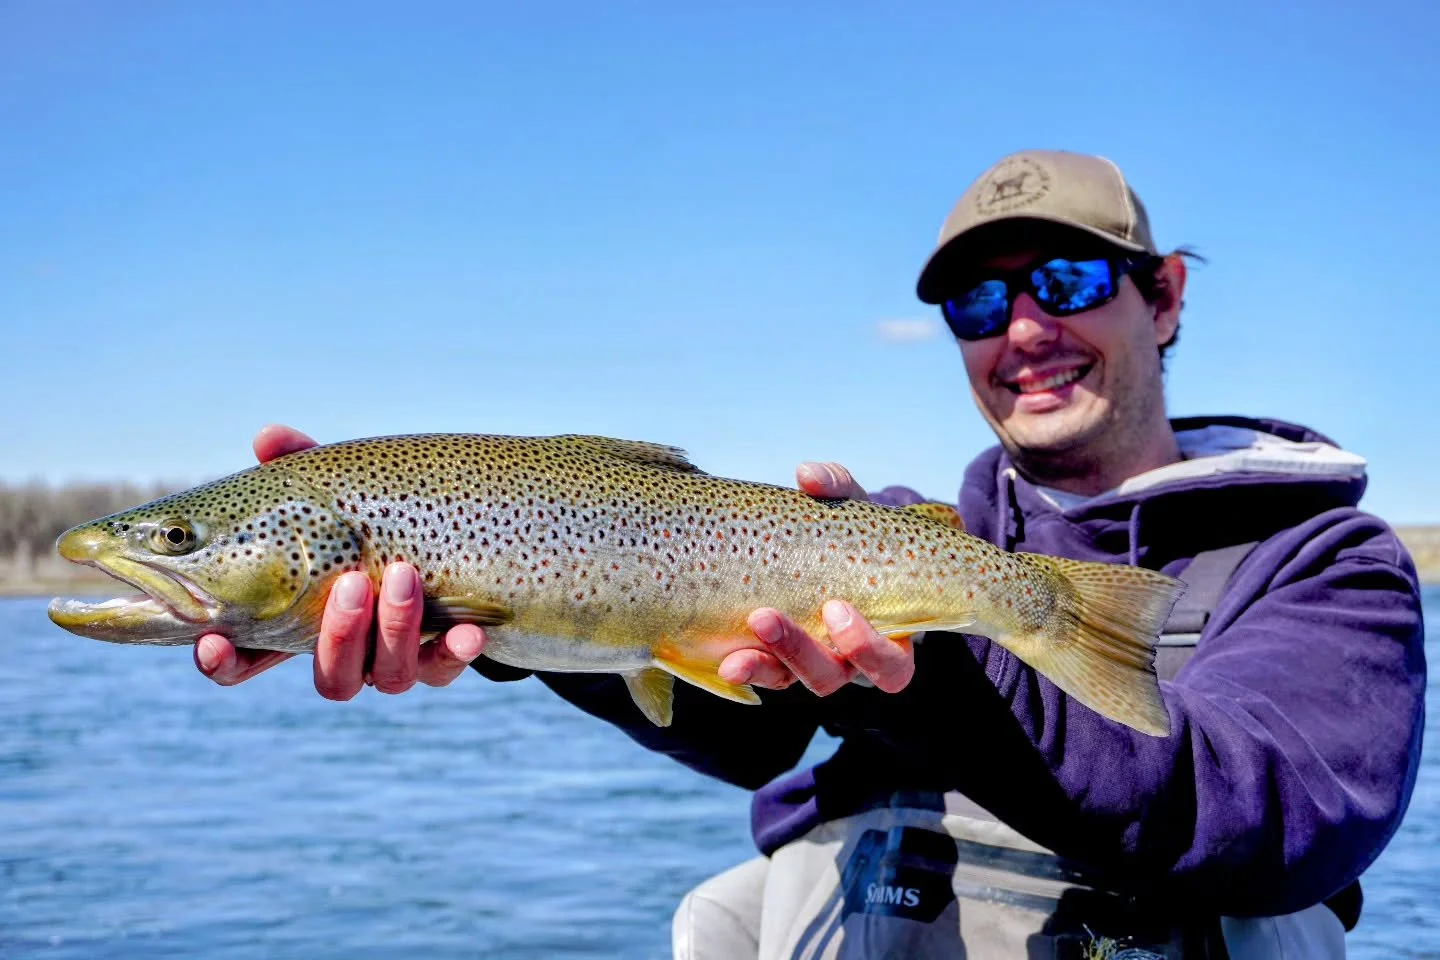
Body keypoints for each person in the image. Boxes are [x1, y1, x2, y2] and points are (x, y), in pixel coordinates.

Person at [197, 149, 1427, 959]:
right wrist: (509, 624)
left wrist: (932, 675)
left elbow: (1273, 825)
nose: (1023, 330)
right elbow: (753, 732)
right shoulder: (896, 533)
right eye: (977, 303)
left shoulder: (1323, 561)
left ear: (1163, 297)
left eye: (1064, 280)